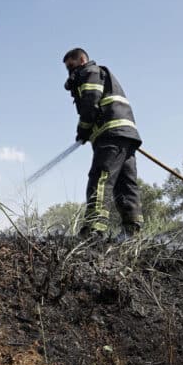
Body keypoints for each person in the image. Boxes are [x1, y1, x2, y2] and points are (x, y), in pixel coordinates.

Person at [63, 48, 144, 240]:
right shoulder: (103, 74)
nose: (70, 72)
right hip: (126, 135)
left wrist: (83, 128)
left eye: (71, 66)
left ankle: (93, 229)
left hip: (111, 135)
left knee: (100, 178)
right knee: (126, 184)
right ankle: (131, 231)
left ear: (82, 60)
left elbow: (90, 103)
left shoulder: (90, 72)